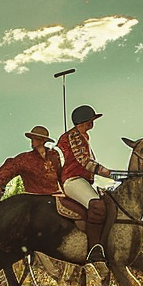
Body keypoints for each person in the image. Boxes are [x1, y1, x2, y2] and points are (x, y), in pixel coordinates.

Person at [57, 105, 116, 263]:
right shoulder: (74, 136)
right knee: (97, 205)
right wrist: (109, 173)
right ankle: (94, 250)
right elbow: (85, 162)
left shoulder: (83, 137)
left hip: (82, 180)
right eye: (92, 120)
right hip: (73, 179)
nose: (93, 123)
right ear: (86, 122)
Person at [0, 125, 63, 202]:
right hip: (34, 198)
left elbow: (61, 174)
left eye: (34, 139)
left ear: (42, 140)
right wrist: (0, 187)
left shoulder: (54, 156)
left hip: (55, 196)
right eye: (32, 138)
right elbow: (9, 169)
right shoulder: (25, 159)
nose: (32, 141)